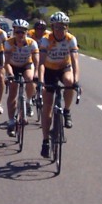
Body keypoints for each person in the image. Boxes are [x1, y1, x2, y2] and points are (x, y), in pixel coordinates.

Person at [39, 11, 80, 157]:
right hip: (49, 70)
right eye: (57, 27)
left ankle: (67, 111)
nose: (60, 30)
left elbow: (75, 60)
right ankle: (45, 141)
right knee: (47, 106)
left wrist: (76, 80)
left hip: (64, 68)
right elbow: (42, 63)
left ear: (67, 28)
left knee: (69, 82)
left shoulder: (71, 39)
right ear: (52, 27)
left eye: (63, 27)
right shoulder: (46, 40)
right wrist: (41, 80)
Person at [3, 19, 40, 137]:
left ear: (27, 32)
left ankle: (28, 101)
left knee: (29, 78)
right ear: (14, 31)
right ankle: (11, 121)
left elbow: (36, 61)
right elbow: (6, 62)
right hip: (13, 66)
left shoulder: (32, 43)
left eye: (23, 32)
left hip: (26, 65)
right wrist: (10, 74)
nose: (20, 35)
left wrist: (36, 74)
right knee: (13, 92)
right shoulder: (9, 43)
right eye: (18, 32)